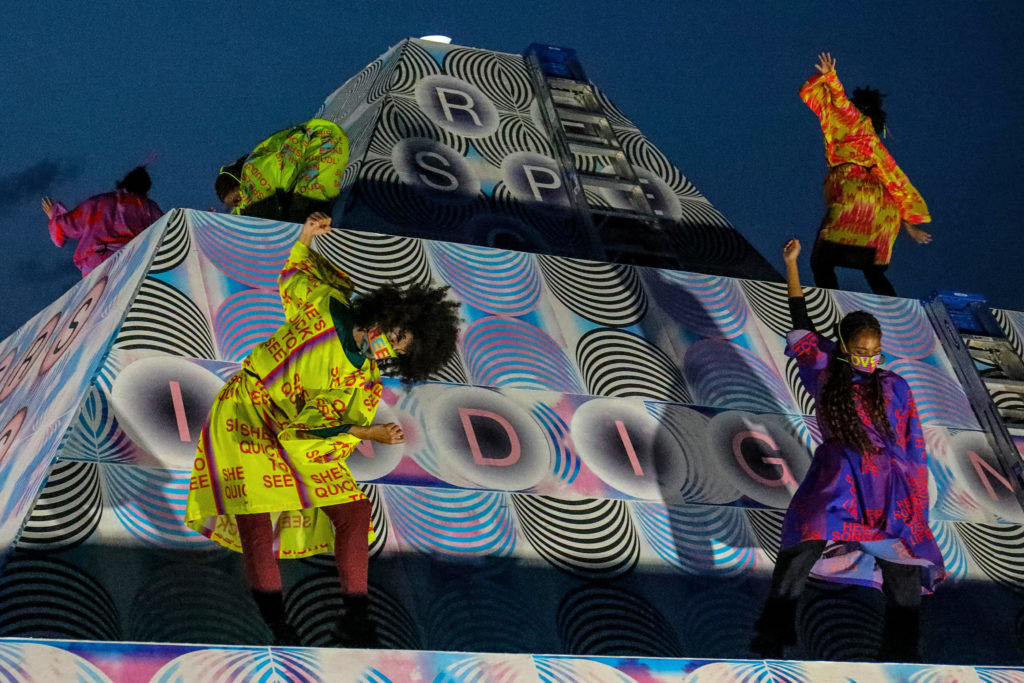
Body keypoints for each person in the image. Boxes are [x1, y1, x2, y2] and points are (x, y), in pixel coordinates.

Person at [184, 212, 460, 646]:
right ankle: (279, 628)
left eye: (397, 354)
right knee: (256, 525)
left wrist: (365, 432)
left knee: (353, 511)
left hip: (297, 430)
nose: (386, 349)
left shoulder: (362, 380)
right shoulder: (329, 302)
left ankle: (356, 616)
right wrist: (305, 238)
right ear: (389, 315)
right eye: (394, 336)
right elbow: (293, 277)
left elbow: (312, 433)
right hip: (246, 413)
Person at [750, 238, 945, 662]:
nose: (869, 360)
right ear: (843, 347)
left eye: (876, 353)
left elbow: (912, 445)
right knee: (806, 538)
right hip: (838, 477)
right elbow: (800, 322)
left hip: (886, 485)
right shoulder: (822, 369)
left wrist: (915, 500)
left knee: (904, 571)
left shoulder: (895, 385)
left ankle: (902, 656)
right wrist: (793, 267)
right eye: (861, 352)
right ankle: (772, 636)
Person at [800, 53, 932, 296]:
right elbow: (896, 181)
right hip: (883, 206)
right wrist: (910, 226)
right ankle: (894, 309)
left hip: (854, 193)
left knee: (821, 260)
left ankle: (832, 302)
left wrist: (832, 77)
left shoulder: (854, 120)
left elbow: (840, 102)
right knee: (872, 268)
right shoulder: (873, 144)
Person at [215, 118, 348, 224]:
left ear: (238, 181)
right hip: (312, 146)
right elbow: (245, 208)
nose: (239, 203)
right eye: (235, 204)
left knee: (303, 203)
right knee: (291, 208)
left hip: (321, 138)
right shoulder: (248, 191)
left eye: (236, 199)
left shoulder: (251, 170)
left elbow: (285, 175)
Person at [42, 166, 163, 276]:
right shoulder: (147, 207)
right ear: (145, 190)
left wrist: (54, 215)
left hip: (94, 264)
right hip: (129, 262)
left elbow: (62, 230)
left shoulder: (96, 203)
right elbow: (167, 231)